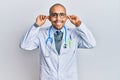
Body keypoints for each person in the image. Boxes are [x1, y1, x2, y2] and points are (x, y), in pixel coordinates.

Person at [20, 3, 96, 80]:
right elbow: (25, 45)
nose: (58, 19)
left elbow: (91, 43)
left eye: (62, 15)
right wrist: (36, 25)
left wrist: (79, 24)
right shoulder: (41, 34)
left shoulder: (74, 34)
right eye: (54, 15)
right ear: (49, 18)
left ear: (66, 17)